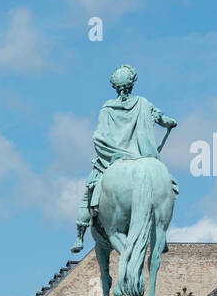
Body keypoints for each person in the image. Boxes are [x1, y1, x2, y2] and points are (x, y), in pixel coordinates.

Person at [71, 64, 178, 253]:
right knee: (167, 184)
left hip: (113, 158)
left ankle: (79, 236)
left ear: (115, 87)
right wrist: (169, 122)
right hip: (141, 155)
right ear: (132, 84)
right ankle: (161, 232)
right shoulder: (143, 103)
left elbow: (100, 136)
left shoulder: (107, 108)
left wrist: (113, 151)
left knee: (88, 193)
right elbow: (162, 118)